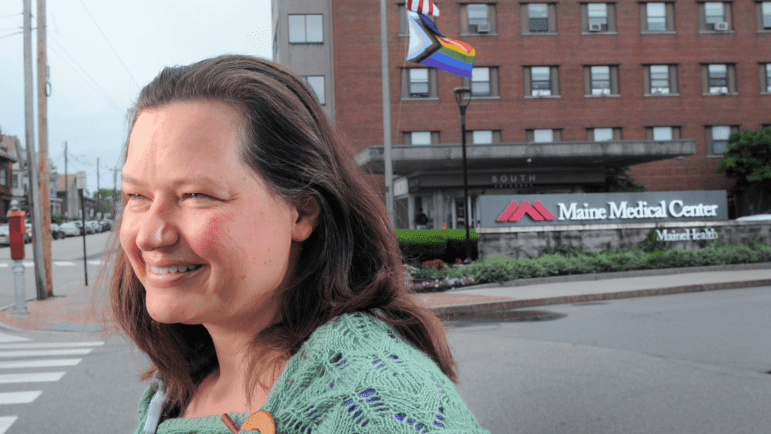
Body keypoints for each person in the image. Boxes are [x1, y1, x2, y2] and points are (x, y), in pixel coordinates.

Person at [108, 55, 489, 434]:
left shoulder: (378, 408)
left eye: (195, 195)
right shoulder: (175, 390)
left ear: (301, 212)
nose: (148, 235)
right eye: (136, 195)